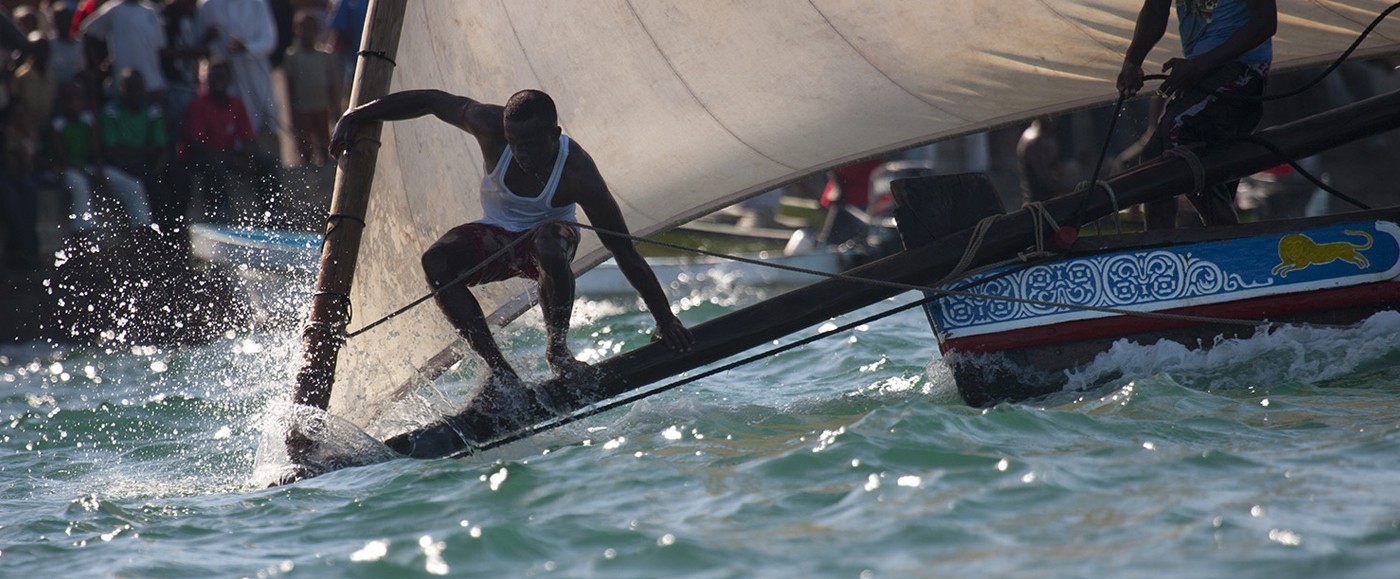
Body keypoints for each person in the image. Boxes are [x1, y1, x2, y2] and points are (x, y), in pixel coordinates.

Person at [328, 89, 695, 405]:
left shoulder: (577, 171)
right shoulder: (489, 125)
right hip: (496, 236)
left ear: (555, 134)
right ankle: (501, 373)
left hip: (552, 239)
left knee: (549, 242)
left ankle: (559, 352)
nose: (521, 153)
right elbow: (432, 101)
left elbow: (624, 250)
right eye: (515, 143)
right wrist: (358, 114)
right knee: (435, 261)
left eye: (532, 144)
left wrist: (665, 319)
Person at [1117, 0, 1276, 230]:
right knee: (1154, 157)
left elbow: (1265, 23)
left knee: (1177, 134)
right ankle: (1160, 253)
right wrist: (1132, 61)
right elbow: (1155, 8)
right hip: (1203, 72)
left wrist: (1199, 65)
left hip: (1243, 71)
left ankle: (1227, 237)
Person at [180, 58, 281, 224]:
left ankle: (272, 211)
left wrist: (248, 159)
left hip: (228, 154)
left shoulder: (236, 104)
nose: (219, 83)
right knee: (214, 166)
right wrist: (228, 159)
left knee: (267, 163)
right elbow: (195, 143)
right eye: (214, 79)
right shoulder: (197, 105)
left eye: (222, 78)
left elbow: (247, 137)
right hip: (202, 157)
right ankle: (220, 210)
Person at [49, 79, 155, 233]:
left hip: (88, 167)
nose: (74, 104)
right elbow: (62, 159)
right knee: (80, 185)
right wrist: (87, 173)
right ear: (62, 102)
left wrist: (99, 171)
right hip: (67, 169)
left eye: (78, 99)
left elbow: (95, 151)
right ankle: (84, 231)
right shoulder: (57, 124)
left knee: (133, 185)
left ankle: (142, 228)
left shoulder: (88, 121)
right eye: (70, 99)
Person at [194, 0, 280, 140]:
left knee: (266, 116)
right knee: (228, 119)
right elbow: (198, 44)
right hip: (224, 75)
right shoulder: (208, 6)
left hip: (254, 72)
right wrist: (208, 37)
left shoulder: (257, 4)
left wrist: (247, 48)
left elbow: (269, 40)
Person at [281, 9, 339, 167]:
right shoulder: (293, 57)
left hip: (321, 105)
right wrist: (292, 115)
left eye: (310, 28)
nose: (307, 33)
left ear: (316, 31)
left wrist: (335, 108)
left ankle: (325, 168)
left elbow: (331, 85)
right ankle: (307, 169)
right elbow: (289, 89)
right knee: (305, 142)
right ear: (297, 31)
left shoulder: (325, 55)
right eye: (303, 28)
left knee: (324, 140)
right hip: (303, 108)